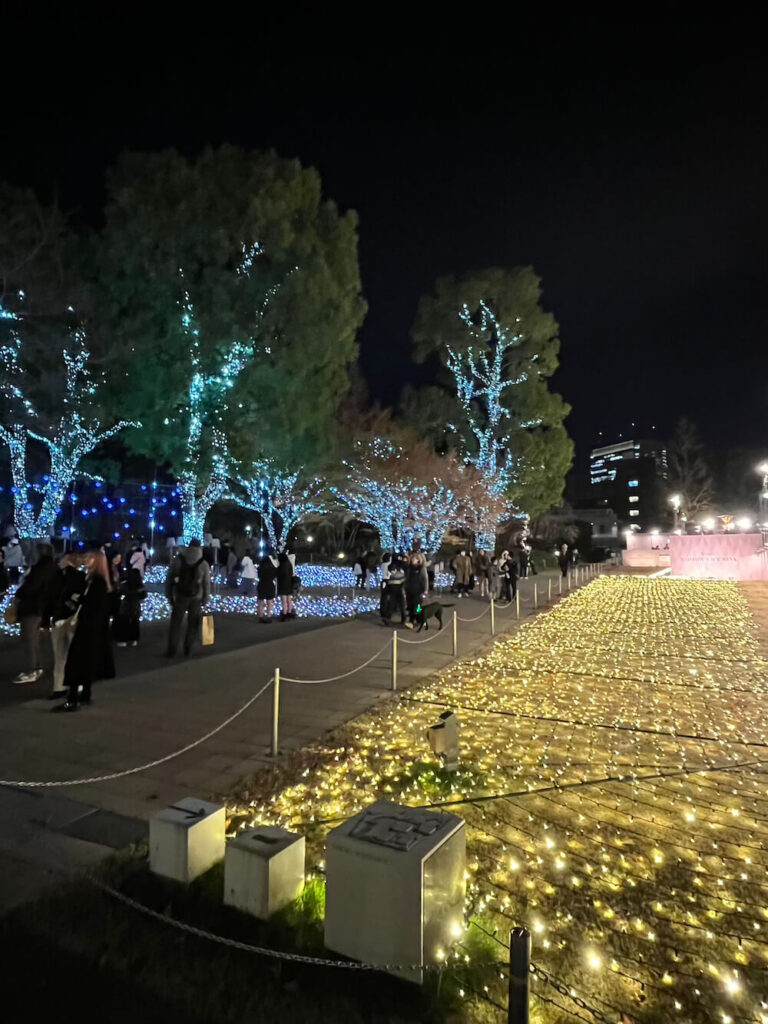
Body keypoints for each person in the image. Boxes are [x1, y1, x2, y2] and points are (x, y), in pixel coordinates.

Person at [54, 550, 115, 712]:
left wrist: (78, 598)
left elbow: (93, 604)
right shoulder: (98, 581)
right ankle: (84, 694)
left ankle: (73, 699)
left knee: (77, 661)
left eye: (89, 558)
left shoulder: (97, 582)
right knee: (86, 662)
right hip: (94, 628)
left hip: (88, 627)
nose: (85, 560)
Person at [12, 544, 57, 684]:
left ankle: (33, 669)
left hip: (32, 607)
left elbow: (31, 587)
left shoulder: (39, 569)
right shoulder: (52, 568)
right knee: (33, 640)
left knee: (29, 640)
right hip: (41, 607)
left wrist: (20, 592)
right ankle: (36, 667)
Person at [42, 553, 85, 698]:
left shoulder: (58, 577)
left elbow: (48, 599)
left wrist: (46, 621)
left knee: (60, 655)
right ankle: (73, 685)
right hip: (71, 618)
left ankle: (59, 687)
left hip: (61, 618)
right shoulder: (79, 577)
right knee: (71, 654)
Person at [164, 539, 211, 657]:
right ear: (200, 548)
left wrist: (169, 596)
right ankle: (188, 649)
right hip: (197, 597)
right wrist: (205, 598)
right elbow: (206, 583)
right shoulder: (203, 563)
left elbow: (169, 579)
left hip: (180, 595)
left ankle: (172, 650)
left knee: (175, 623)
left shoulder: (178, 560)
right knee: (193, 624)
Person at [113, 567, 147, 647]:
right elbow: (143, 595)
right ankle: (134, 639)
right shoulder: (140, 585)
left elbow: (120, 592)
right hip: (135, 607)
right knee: (135, 622)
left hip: (126, 606)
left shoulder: (125, 584)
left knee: (125, 623)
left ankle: (124, 640)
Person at [404, 553, 429, 628]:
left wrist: (425, 590)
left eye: (414, 559)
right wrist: (405, 588)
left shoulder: (421, 568)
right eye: (412, 559)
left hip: (418, 590)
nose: (412, 560)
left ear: (418, 560)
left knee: (418, 607)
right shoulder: (410, 568)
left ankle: (420, 619)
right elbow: (407, 579)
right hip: (410, 590)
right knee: (410, 606)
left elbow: (425, 579)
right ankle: (411, 621)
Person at [381, 555, 407, 625]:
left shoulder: (398, 567)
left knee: (400, 604)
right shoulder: (396, 567)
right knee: (393, 604)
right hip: (395, 587)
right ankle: (388, 618)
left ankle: (405, 619)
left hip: (398, 587)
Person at [257, 550, 278, 623]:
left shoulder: (260, 568)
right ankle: (268, 616)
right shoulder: (272, 569)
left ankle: (260, 616)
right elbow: (275, 576)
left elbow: (259, 576)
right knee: (269, 602)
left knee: (260, 602)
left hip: (261, 584)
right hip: (270, 585)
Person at [277, 551, 296, 620]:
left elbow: (279, 575)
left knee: (284, 601)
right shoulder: (289, 564)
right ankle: (289, 612)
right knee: (289, 599)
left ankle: (284, 614)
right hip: (289, 583)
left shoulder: (282, 565)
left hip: (283, 584)